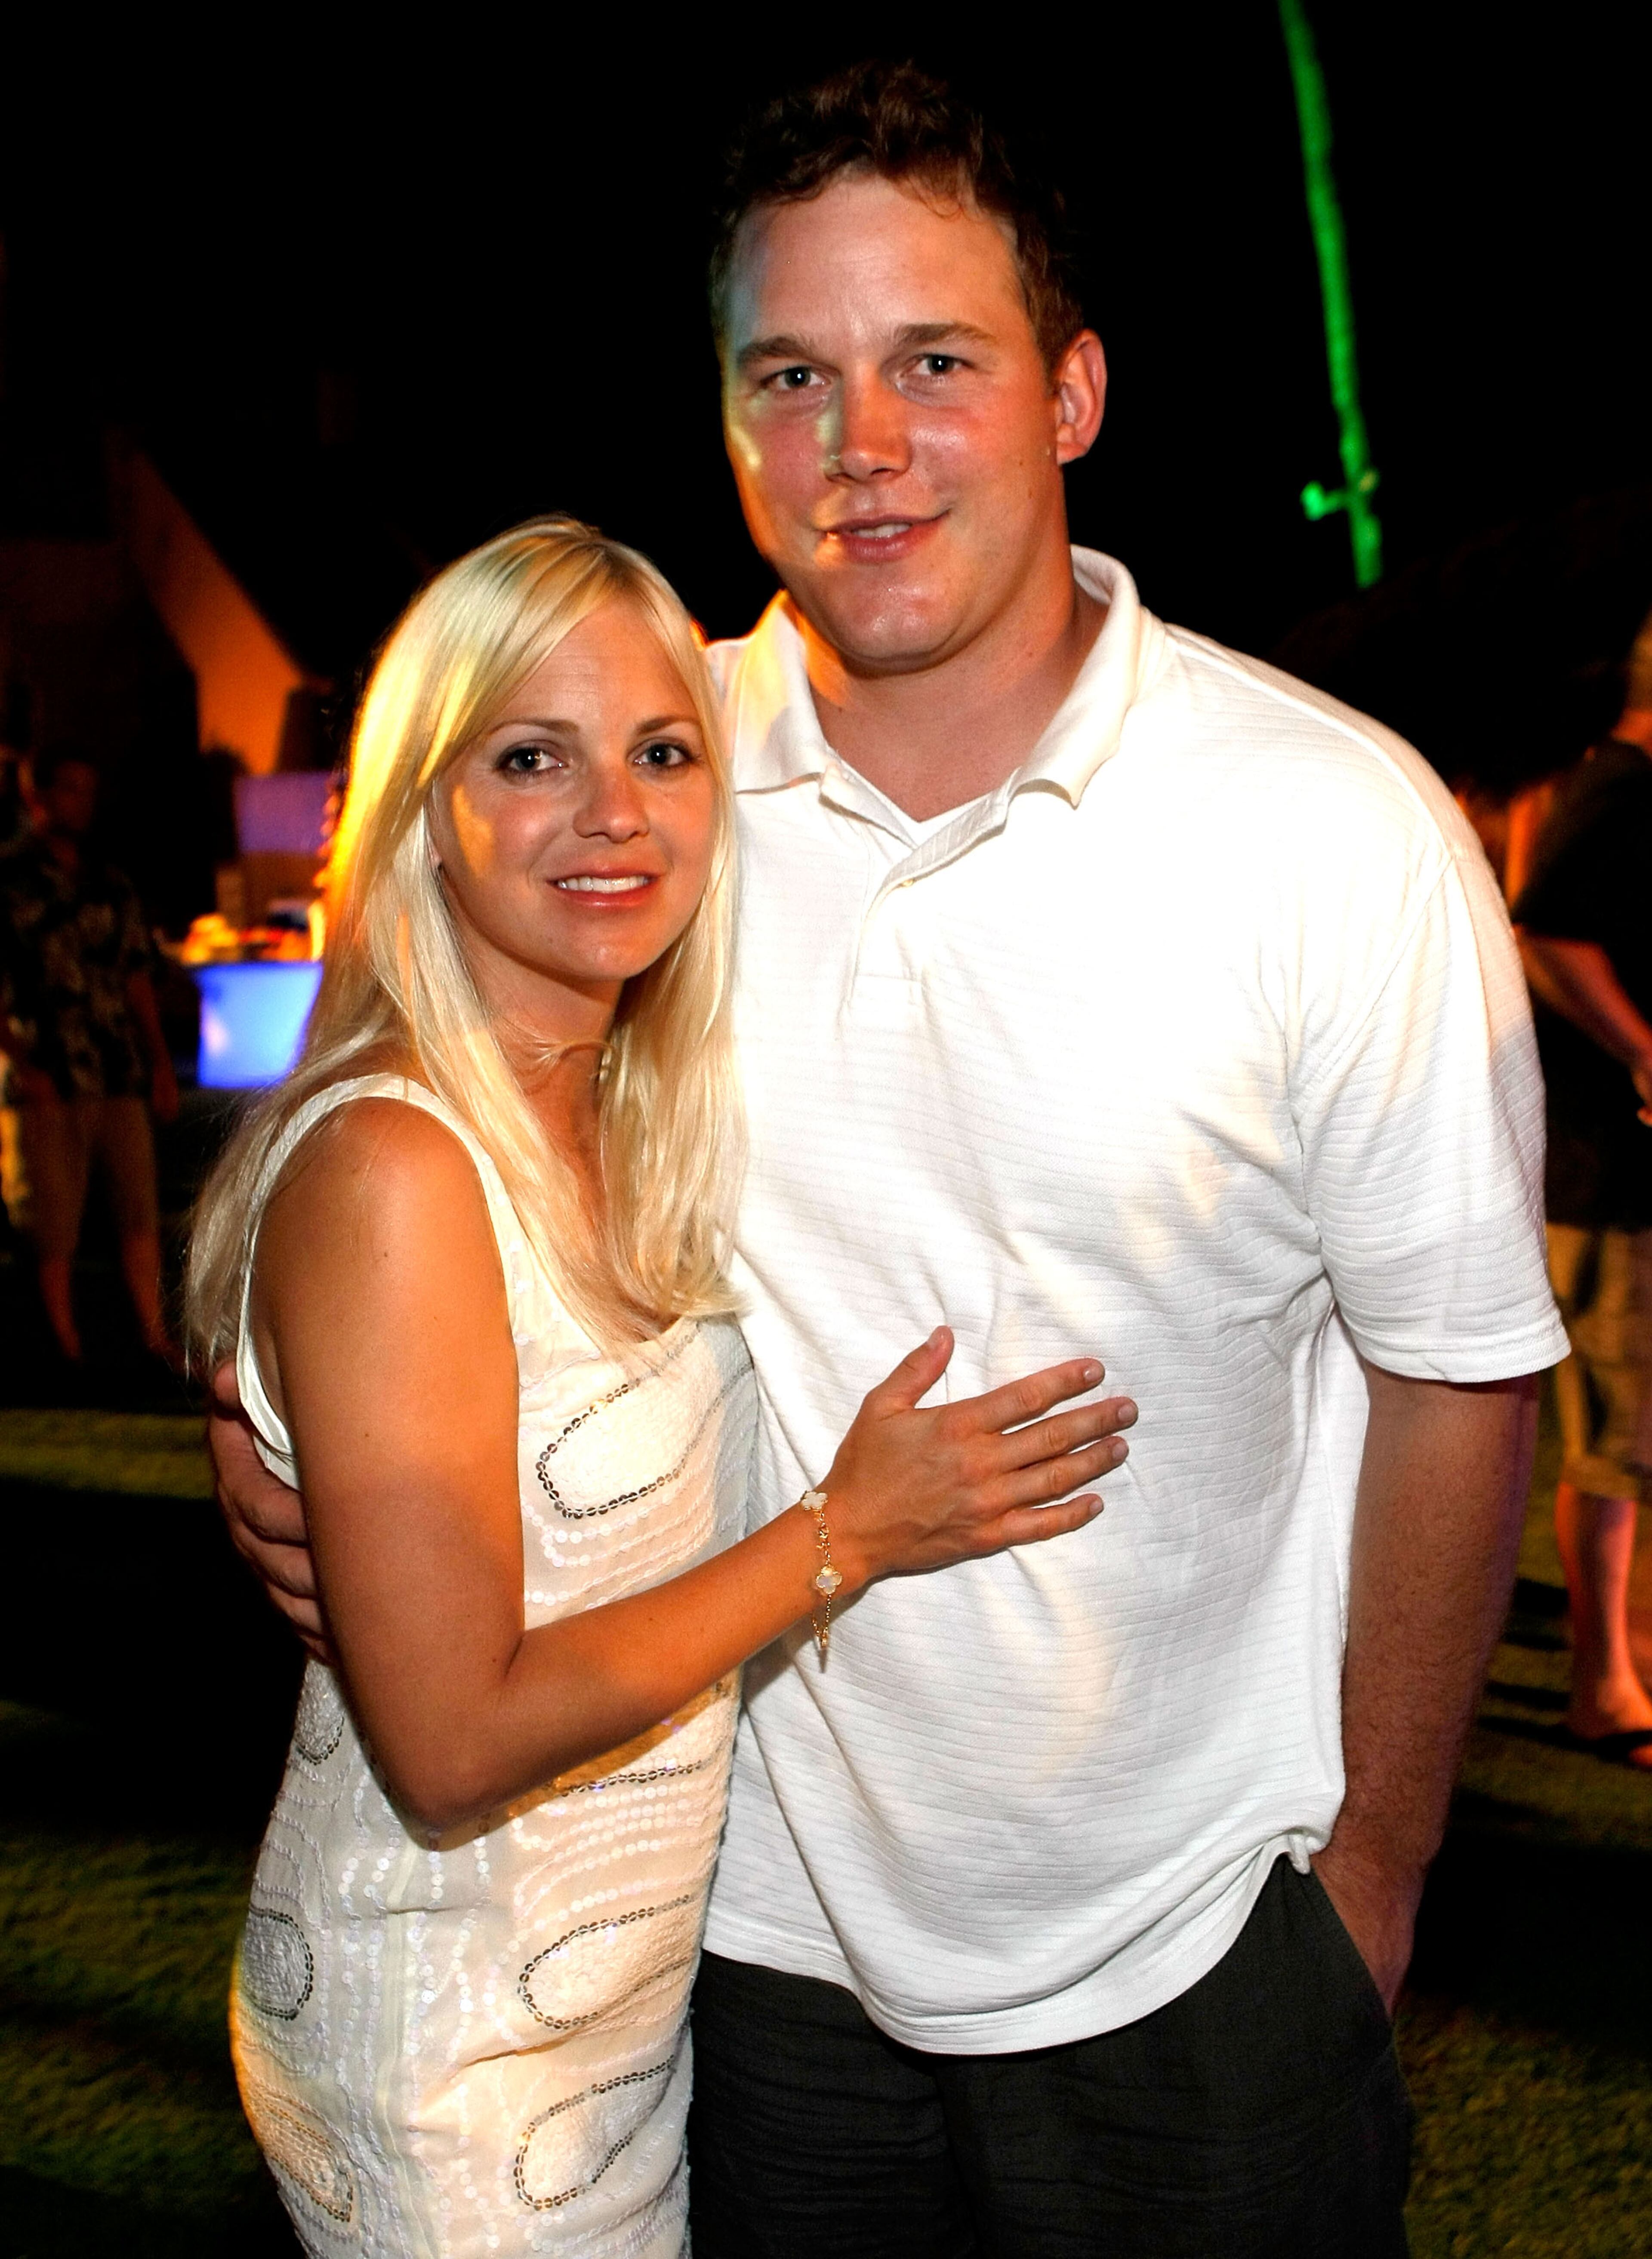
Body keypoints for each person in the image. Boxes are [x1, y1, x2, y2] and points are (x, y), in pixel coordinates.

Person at [213, 65, 1566, 2256]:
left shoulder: (1332, 834)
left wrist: (1375, 1871)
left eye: (935, 361)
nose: (862, 442)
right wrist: (280, 1429)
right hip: (745, 1948)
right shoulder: (642, 789)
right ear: (731, 428)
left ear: (1072, 395)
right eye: (793, 375)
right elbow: (405, 1106)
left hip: (1194, 1941)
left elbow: (1457, 1368)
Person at [187, 517, 1133, 2257]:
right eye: (532, 755)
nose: (614, 809)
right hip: (449, 2053)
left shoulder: (629, 1099)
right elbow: (454, 1736)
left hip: (614, 2026)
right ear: (422, 804)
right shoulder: (402, 1162)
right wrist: (845, 1533)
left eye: (663, 748)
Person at [1512, 619, 1652, 1767]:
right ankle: (1603, 1685)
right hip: (1609, 1181)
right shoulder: (1620, 791)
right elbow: (1544, 928)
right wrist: (1645, 1048)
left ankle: (1623, 1653)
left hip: (1619, 1176)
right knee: (1616, 1434)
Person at [0, 740, 179, 1364]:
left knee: (137, 1207)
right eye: (69, 788)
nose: (82, 803)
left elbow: (135, 975)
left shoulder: (110, 881)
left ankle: (154, 1334)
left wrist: (159, 1063)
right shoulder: (12, 881)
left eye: (88, 790)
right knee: (55, 1220)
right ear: (39, 795)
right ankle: (63, 1340)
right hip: (51, 1068)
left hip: (115, 1066)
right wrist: (21, 1062)